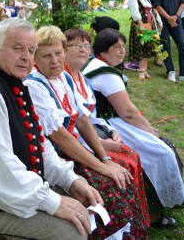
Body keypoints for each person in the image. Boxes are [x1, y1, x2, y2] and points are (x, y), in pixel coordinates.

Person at [0, 18, 104, 240]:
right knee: (71, 233)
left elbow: (37, 143)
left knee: (84, 198)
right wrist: (53, 202)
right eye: (17, 48)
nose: (26, 57)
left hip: (11, 189)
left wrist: (69, 180)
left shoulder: (13, 81)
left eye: (31, 50)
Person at [24, 26, 148, 238]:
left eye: (58, 53)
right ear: (35, 58)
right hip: (53, 156)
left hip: (73, 148)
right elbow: (59, 137)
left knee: (127, 159)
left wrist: (105, 157)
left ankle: (138, 226)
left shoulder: (64, 78)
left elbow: (82, 119)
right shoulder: (34, 85)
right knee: (107, 181)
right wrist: (102, 166)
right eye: (46, 55)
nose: (54, 60)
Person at [83, 28, 184, 228]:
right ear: (103, 52)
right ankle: (154, 212)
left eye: (123, 46)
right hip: (109, 124)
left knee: (162, 149)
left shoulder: (93, 65)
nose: (122, 51)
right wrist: (150, 130)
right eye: (116, 47)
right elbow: (127, 113)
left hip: (103, 122)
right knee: (161, 152)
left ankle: (166, 200)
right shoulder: (106, 74)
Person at [63, 27, 149, 225]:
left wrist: (111, 131)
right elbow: (68, 126)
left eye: (86, 45)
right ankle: (115, 225)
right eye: (76, 45)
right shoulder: (63, 79)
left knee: (132, 156)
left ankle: (138, 219)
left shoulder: (83, 80)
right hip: (75, 146)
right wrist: (99, 145)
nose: (83, 49)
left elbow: (90, 116)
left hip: (93, 137)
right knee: (122, 166)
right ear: (64, 50)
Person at [128, 0, 163, 80]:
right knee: (143, 48)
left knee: (148, 47)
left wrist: (155, 15)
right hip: (141, 26)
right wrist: (141, 25)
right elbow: (135, 12)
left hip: (149, 25)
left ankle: (144, 70)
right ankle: (141, 72)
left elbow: (150, 11)